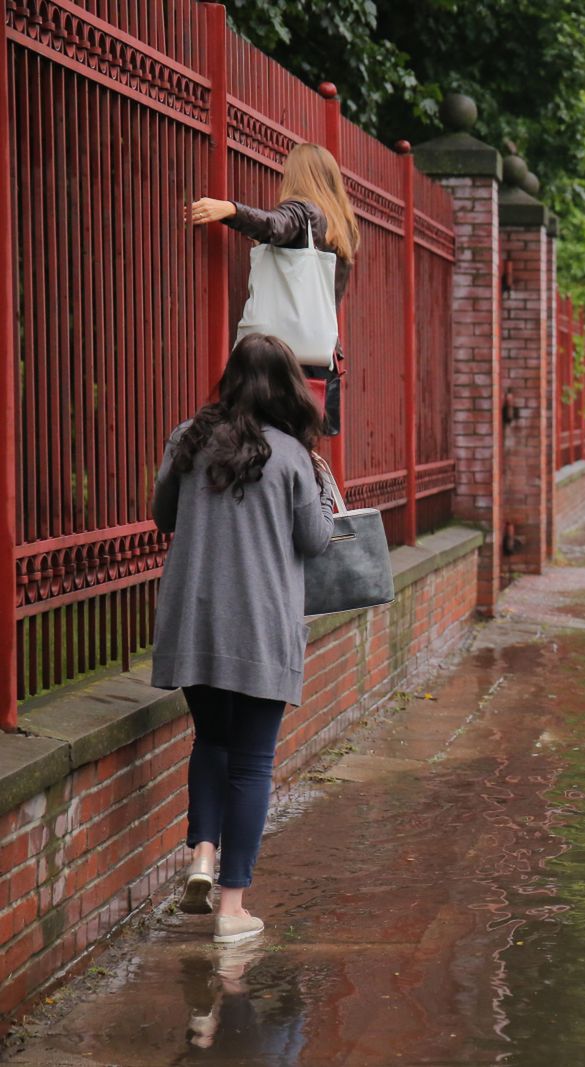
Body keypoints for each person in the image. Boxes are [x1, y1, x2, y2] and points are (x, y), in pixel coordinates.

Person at [151, 333, 336, 944]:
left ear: (230, 380)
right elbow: (314, 542)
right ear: (286, 387)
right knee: (253, 763)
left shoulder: (188, 439)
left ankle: (202, 855)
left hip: (195, 621)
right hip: (261, 625)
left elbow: (164, 516)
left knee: (210, 740)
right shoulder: (291, 455)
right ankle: (232, 911)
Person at [186, 142, 359, 434]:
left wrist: (229, 209)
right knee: (301, 446)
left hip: (278, 357)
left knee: (263, 438)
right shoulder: (340, 228)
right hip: (318, 356)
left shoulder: (303, 211)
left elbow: (273, 225)